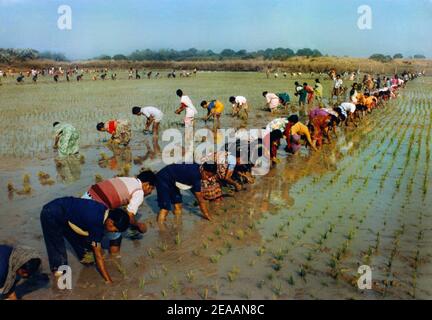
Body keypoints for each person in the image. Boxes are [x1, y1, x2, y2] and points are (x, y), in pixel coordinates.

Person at [40, 197, 130, 283]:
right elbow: (98, 255)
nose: (114, 232)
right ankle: (58, 279)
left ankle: (83, 258)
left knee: (86, 254)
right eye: (115, 230)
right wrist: (108, 280)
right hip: (51, 213)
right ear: (110, 222)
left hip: (64, 212)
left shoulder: (104, 211)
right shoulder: (96, 222)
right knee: (57, 248)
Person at [82, 171, 156, 253]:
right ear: (147, 185)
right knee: (116, 236)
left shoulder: (128, 179)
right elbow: (129, 216)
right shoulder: (139, 192)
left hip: (85, 198)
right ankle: (115, 259)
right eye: (151, 189)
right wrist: (139, 225)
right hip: (96, 208)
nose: (150, 193)